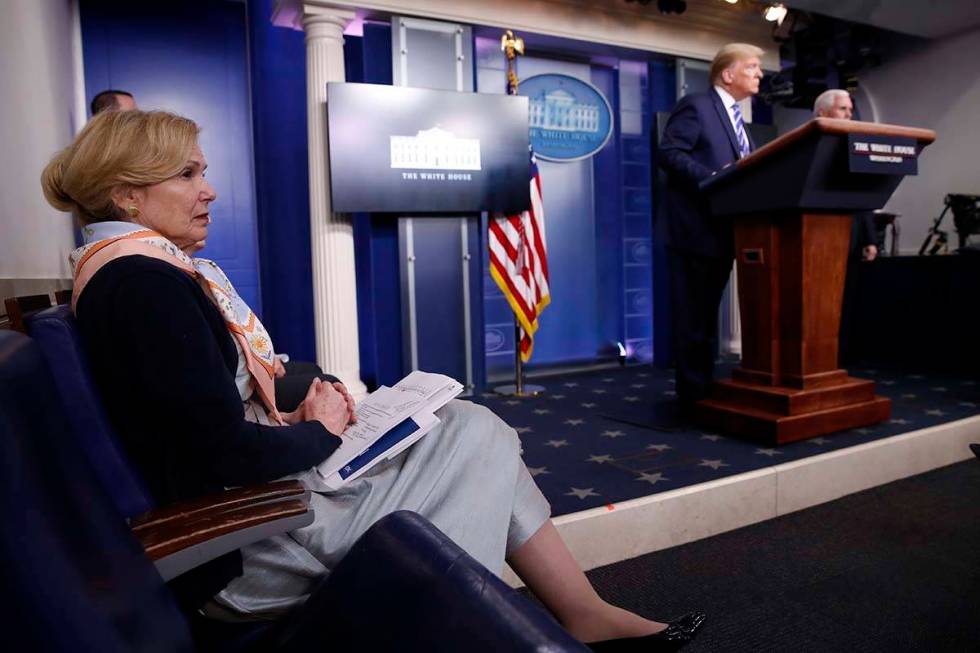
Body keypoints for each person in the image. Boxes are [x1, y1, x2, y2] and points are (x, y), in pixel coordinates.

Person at [41, 109, 705, 650]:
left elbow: (192, 425)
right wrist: (324, 432)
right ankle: (458, 633)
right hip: (249, 543)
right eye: (188, 174)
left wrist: (296, 421)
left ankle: (578, 611)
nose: (209, 189)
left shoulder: (125, 271)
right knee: (478, 438)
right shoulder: (144, 286)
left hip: (256, 503)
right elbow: (217, 452)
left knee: (469, 425)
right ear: (129, 193)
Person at [657, 43, 763, 408]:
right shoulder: (698, 106)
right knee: (693, 320)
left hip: (723, 233)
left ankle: (704, 389)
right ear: (727, 74)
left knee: (707, 318)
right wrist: (711, 180)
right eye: (751, 66)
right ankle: (692, 399)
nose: (759, 73)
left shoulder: (738, 120)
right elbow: (670, 152)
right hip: (693, 232)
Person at [812, 89, 877, 262]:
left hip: (852, 235)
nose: (849, 114)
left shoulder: (856, 146)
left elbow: (862, 194)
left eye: (850, 109)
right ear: (822, 112)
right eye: (842, 109)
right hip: (817, 234)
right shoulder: (805, 146)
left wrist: (869, 238)